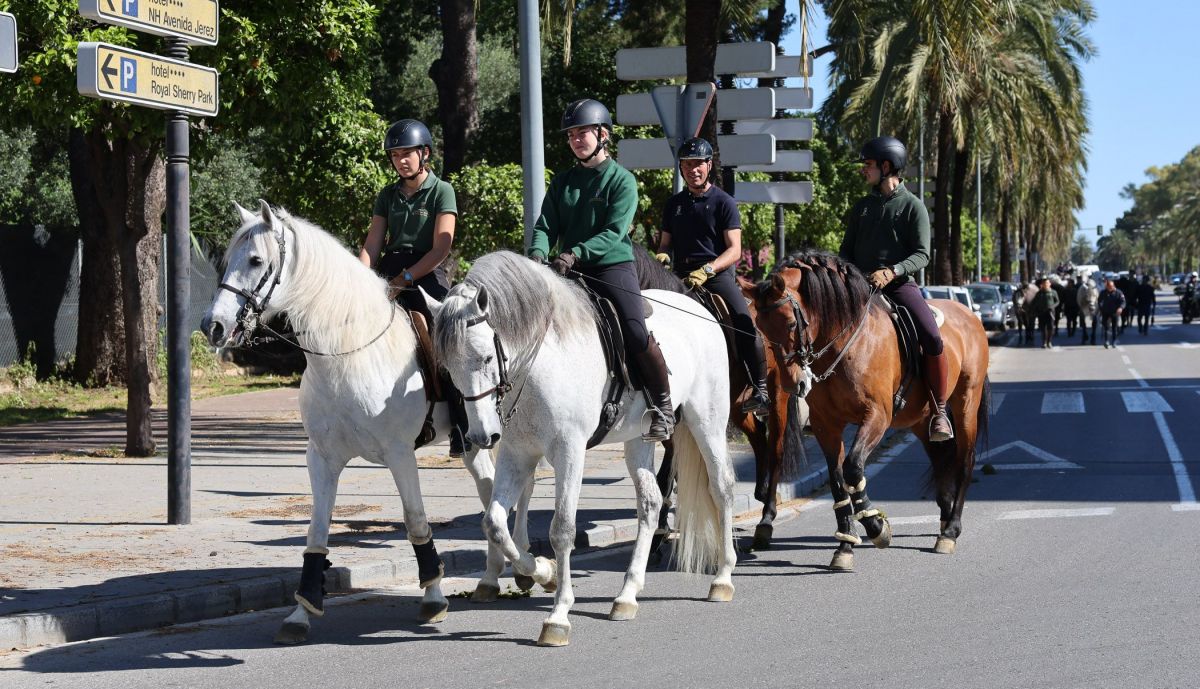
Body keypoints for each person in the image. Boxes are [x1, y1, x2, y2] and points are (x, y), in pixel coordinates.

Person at [528, 98, 675, 442]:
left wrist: (575, 253)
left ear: (603, 134)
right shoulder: (562, 181)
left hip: (611, 265)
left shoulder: (621, 180)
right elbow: (545, 224)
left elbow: (613, 231)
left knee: (635, 332)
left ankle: (663, 407)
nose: (576, 139)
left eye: (583, 132)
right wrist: (536, 256)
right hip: (568, 269)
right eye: (571, 135)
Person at [359, 118, 469, 456]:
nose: (401, 160)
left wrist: (406, 279)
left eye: (407, 153)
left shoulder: (442, 190)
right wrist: (357, 278)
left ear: (425, 153)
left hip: (427, 271)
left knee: (442, 336)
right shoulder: (387, 195)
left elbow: (441, 248)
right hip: (392, 267)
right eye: (395, 155)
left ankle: (461, 425)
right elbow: (372, 245)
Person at [839, 135, 953, 441]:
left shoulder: (913, 206)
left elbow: (922, 254)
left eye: (868, 165)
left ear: (886, 166)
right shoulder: (862, 207)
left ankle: (939, 410)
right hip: (860, 287)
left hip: (899, 286)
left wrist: (893, 271)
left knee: (931, 335)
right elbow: (845, 251)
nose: (864, 170)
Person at [656, 137, 770, 415]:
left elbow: (735, 250)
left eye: (698, 164)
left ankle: (760, 387)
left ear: (708, 166)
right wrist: (661, 255)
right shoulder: (674, 204)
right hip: (681, 275)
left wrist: (708, 270)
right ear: (681, 169)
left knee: (745, 323)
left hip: (715, 275)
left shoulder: (724, 202)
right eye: (687, 165)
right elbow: (664, 243)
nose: (693, 170)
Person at [1029, 278, 1060, 349]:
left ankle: (1049, 341)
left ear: (1049, 284)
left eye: (1047, 283)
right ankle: (1044, 342)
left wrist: (1052, 306)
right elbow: (1034, 302)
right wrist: (1031, 310)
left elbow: (1057, 301)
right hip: (1042, 312)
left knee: (1051, 328)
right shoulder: (1039, 293)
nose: (1045, 285)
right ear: (1042, 285)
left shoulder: (1053, 292)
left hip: (1050, 313)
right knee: (1043, 328)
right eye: (1044, 283)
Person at [1097, 279, 1126, 348]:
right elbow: (1099, 301)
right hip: (1105, 312)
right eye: (1108, 286)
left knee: (1114, 327)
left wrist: (1121, 308)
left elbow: (1123, 302)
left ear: (1113, 286)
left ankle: (1114, 341)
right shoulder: (1103, 292)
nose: (1109, 288)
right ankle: (1106, 341)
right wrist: (1101, 308)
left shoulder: (1118, 293)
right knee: (1106, 327)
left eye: (1111, 287)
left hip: (1115, 312)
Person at [1077, 275, 1099, 345]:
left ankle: (1093, 336)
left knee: (1095, 319)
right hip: (1084, 304)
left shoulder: (1095, 288)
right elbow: (1079, 300)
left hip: (1094, 304)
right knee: (1082, 317)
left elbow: (1096, 297)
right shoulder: (1082, 289)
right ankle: (1084, 334)